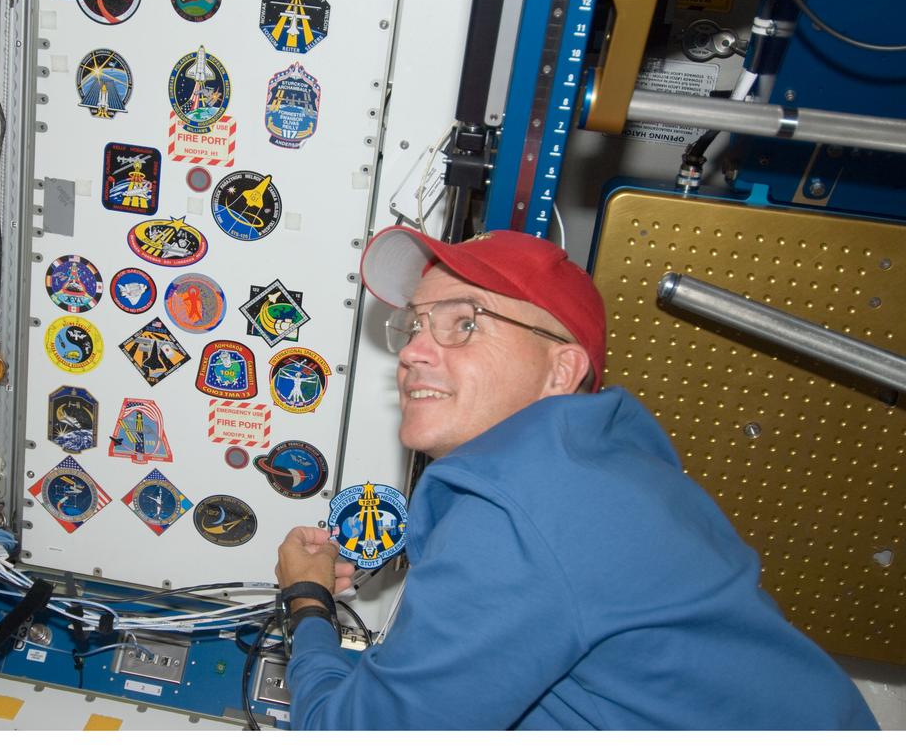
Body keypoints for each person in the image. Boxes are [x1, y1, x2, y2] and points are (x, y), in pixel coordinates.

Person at [274, 226, 878, 730]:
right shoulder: (605, 469)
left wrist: (309, 601)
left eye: (464, 323)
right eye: (414, 326)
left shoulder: (519, 513)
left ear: (561, 368)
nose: (412, 352)